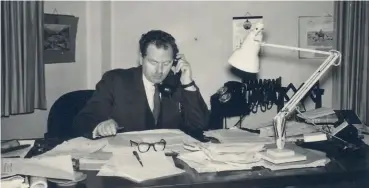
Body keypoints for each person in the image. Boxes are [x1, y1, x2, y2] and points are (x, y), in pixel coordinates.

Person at [73, 30, 209, 139]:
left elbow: (199, 125)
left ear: (174, 62)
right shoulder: (115, 81)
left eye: (166, 63)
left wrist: (187, 83)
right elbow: (83, 120)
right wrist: (100, 127)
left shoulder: (175, 83)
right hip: (125, 160)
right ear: (141, 58)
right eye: (153, 62)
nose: (159, 71)